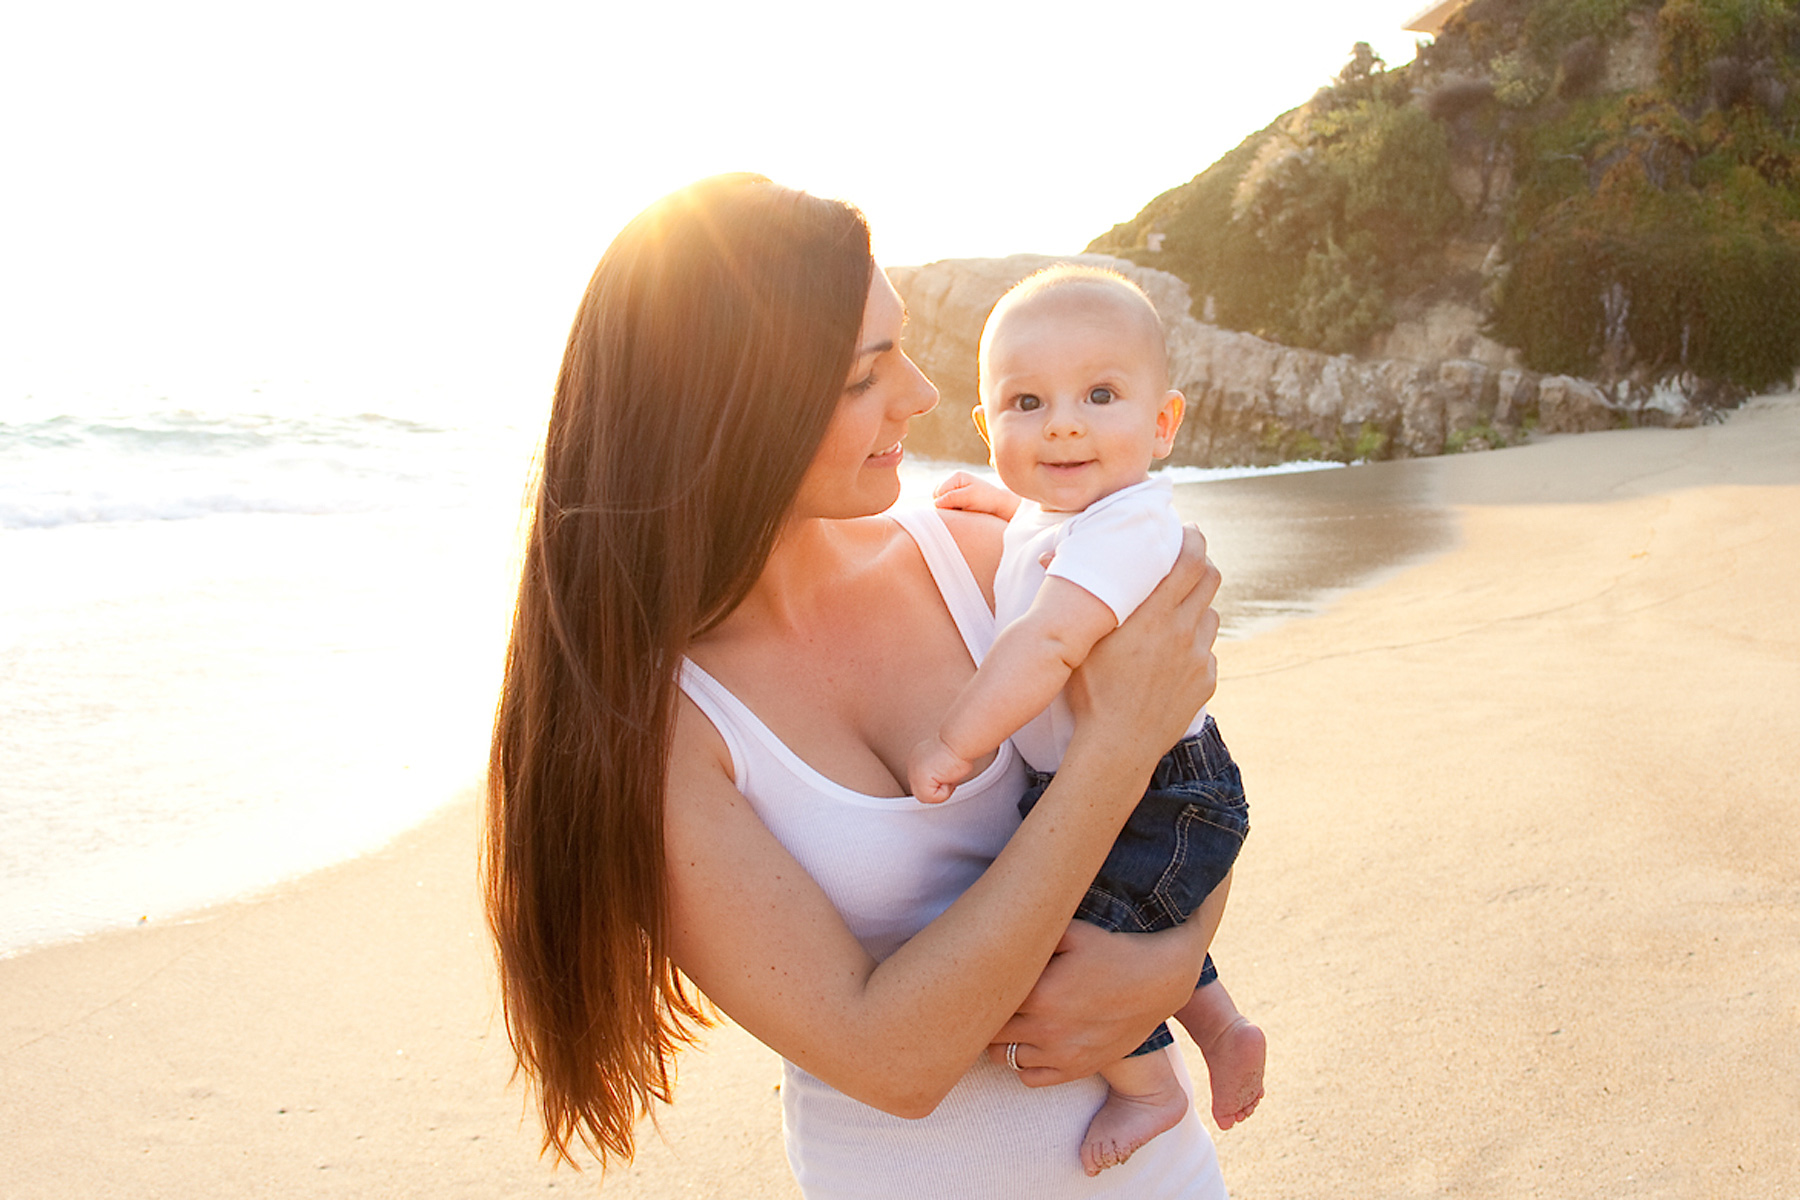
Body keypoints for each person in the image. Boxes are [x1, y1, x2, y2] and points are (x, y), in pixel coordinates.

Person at [484, 174, 1230, 1198]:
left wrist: (1179, 949)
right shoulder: (659, 734)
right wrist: (1108, 756)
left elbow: (1195, 789)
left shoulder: (985, 557)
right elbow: (895, 1060)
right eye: (863, 376)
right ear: (734, 413)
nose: (923, 398)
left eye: (904, 349)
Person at [907, 266, 1267, 1175]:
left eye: (1099, 395)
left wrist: (958, 739)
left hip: (1159, 795)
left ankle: (1150, 1089)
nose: (1062, 423)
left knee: (1069, 942)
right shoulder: (1071, 516)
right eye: (1027, 403)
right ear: (989, 430)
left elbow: (1050, 640)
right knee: (1137, 922)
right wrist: (1009, 506)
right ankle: (1221, 1025)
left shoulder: (1132, 526)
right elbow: (1044, 535)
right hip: (1139, 782)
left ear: (1162, 422)